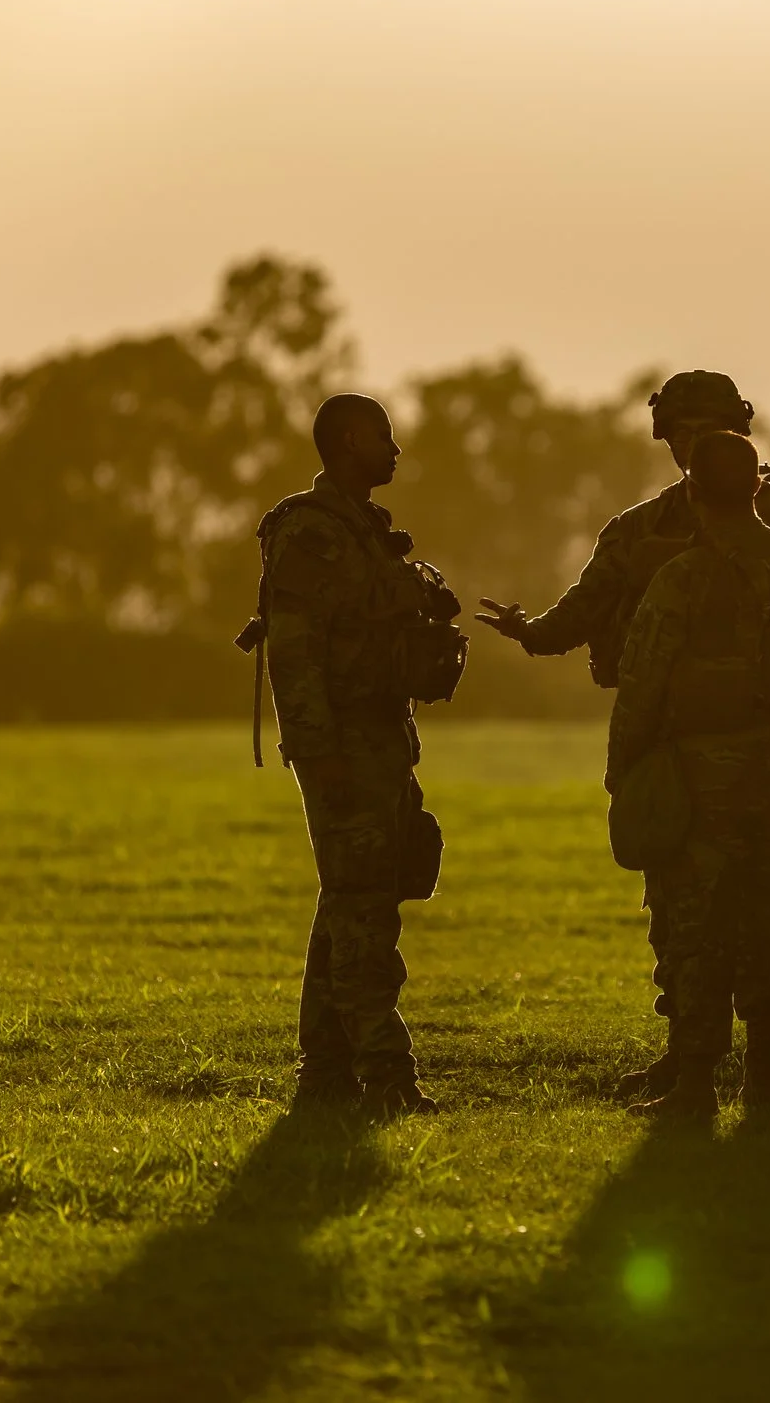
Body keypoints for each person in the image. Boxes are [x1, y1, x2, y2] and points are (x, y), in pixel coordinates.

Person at [471, 370, 770, 1102]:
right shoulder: (653, 531)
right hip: (714, 756)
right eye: (685, 430)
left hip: (717, 753)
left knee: (751, 917)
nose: (692, 443)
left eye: (706, 428)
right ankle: (711, 1062)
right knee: (692, 917)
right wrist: (530, 632)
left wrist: (626, 762)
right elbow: (585, 613)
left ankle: (745, 1066)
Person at [603, 429, 770, 1118]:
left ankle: (693, 1086)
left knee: (701, 935)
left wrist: (623, 771)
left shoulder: (683, 578)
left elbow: (642, 684)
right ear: (757, 487)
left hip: (705, 782)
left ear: (691, 494)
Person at [256, 392, 448, 1117]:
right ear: (344, 441)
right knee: (364, 911)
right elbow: (294, 653)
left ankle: (324, 1071)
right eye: (381, 436)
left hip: (380, 739)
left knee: (350, 899)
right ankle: (387, 1076)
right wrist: (318, 753)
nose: (395, 449)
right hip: (343, 744)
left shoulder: (364, 531)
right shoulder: (308, 532)